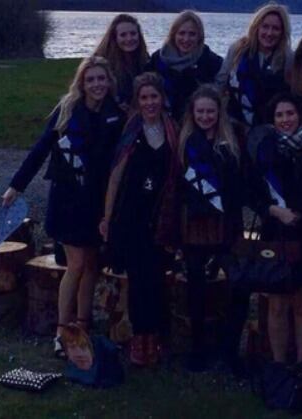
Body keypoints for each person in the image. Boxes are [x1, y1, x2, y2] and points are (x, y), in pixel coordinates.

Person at [2, 56, 125, 357]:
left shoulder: (117, 115)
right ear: (81, 83)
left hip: (97, 201)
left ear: (109, 82)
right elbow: (40, 149)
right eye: (90, 79)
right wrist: (16, 185)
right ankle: (61, 329)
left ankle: (82, 324)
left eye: (101, 79)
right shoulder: (67, 111)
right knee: (76, 264)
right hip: (68, 199)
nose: (96, 84)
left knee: (92, 265)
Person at [156, 85, 254, 371]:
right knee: (196, 288)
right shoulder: (184, 142)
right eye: (200, 111)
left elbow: (242, 181)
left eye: (210, 111)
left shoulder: (233, 140)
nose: (205, 116)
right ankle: (198, 348)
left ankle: (230, 348)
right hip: (193, 225)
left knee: (240, 285)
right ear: (192, 112)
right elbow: (174, 186)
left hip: (227, 223)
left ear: (219, 112)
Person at [100, 72, 179, 367]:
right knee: (137, 280)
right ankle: (138, 338)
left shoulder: (173, 130)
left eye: (154, 96)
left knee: (157, 279)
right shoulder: (130, 131)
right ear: (137, 100)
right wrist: (107, 217)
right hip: (131, 217)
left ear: (162, 98)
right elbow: (115, 177)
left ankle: (154, 336)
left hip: (161, 216)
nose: (149, 103)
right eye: (144, 97)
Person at [249, 93, 302, 374]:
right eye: (279, 115)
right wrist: (274, 210)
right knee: (277, 304)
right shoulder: (263, 149)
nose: (285, 120)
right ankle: (279, 367)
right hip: (274, 231)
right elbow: (251, 192)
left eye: (290, 113)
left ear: (299, 115)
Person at [216, 2, 293, 130]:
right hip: (234, 122)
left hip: (271, 127)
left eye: (275, 28)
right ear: (256, 27)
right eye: (265, 27)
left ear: (283, 32)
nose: (269, 33)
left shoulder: (289, 59)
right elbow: (220, 83)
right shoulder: (237, 50)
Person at [146, 10, 223, 121]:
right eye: (181, 33)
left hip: (199, 122)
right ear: (173, 34)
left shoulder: (211, 61)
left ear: (200, 36)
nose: (186, 39)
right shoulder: (158, 59)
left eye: (192, 34)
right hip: (165, 121)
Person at [94, 14, 150, 110]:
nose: (129, 38)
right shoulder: (101, 63)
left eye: (133, 33)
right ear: (114, 37)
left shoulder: (145, 60)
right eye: (123, 35)